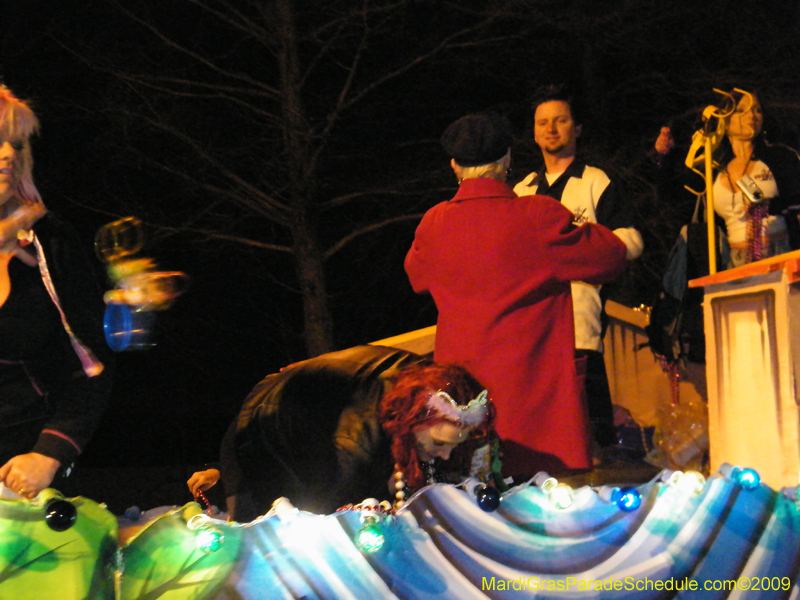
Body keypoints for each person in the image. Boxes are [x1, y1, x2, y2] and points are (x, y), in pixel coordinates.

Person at [404, 112, 628, 479]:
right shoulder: (537, 217)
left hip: (462, 413)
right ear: (507, 160)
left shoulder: (434, 223)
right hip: (535, 419)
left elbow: (417, 276)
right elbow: (611, 255)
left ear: (454, 167)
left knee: (469, 521)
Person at [187, 344, 500, 521]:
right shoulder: (358, 441)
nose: (445, 454)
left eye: (454, 444)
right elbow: (330, 515)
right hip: (258, 434)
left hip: (314, 425)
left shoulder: (437, 390)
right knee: (266, 540)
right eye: (437, 443)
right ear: (410, 421)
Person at [513, 85, 644, 449]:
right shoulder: (522, 190)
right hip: (530, 328)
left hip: (580, 323)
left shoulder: (596, 182)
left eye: (560, 120)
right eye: (543, 123)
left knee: (588, 422)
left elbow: (629, 241)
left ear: (577, 128)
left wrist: (585, 249)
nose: (551, 129)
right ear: (534, 131)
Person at [0, 85, 113, 499]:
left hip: (24, 477)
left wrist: (50, 453)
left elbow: (91, 364)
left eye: (15, 144)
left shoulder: (49, 243)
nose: (9, 155)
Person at [653, 88, 800, 268]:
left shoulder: (780, 157)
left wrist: (769, 206)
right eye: (740, 110)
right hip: (733, 259)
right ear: (723, 119)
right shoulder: (711, 166)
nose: (752, 115)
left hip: (781, 252)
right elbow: (670, 197)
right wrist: (665, 158)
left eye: (757, 109)